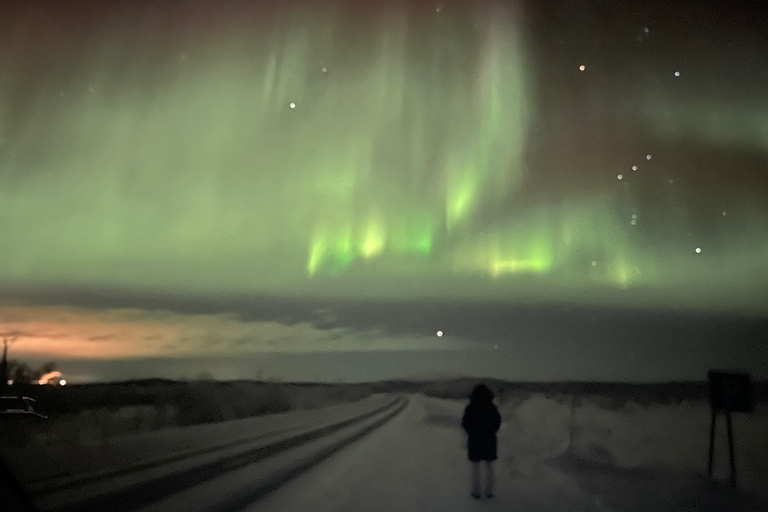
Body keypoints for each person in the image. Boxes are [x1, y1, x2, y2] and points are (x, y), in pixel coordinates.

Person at [461, 384, 501, 499]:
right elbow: (497, 423)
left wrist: (472, 433)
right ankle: (489, 492)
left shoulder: (470, 408)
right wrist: (490, 432)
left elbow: (465, 423)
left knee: (475, 467)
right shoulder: (492, 408)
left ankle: (476, 491)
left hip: (475, 440)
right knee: (489, 466)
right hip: (489, 440)